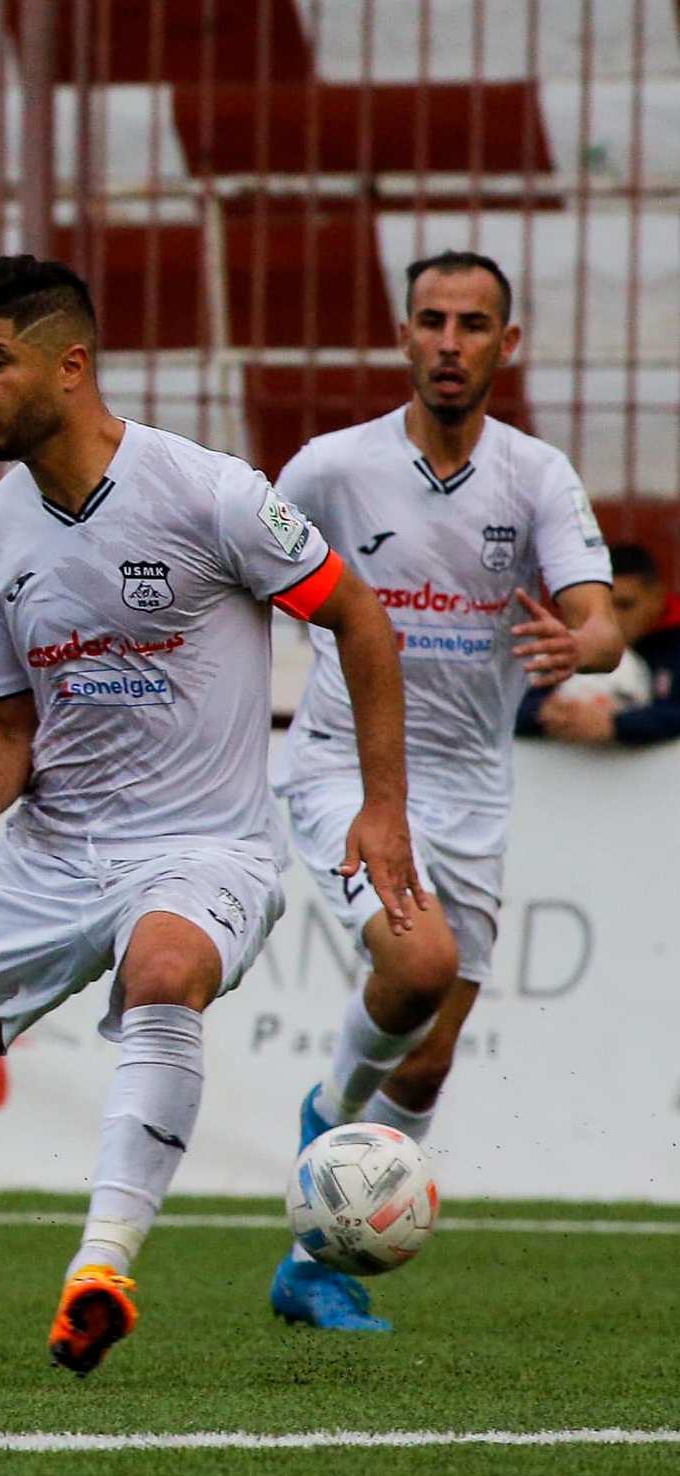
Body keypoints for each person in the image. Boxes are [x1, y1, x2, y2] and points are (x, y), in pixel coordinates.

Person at [0, 255, 419, 1379]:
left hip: (203, 847)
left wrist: (381, 806)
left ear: (71, 363)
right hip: (51, 859)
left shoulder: (206, 492)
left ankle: (102, 1265)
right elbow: (6, 724)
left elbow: (359, 619)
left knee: (162, 971)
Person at [266, 250, 622, 1330]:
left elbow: (599, 618)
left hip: (471, 786)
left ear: (506, 345)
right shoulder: (330, 467)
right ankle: (322, 1125)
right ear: (405, 336)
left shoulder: (535, 475)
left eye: (474, 324)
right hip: (341, 763)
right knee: (415, 963)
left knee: (427, 1057)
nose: (451, 342)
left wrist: (585, 642)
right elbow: (241, 574)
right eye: (432, 320)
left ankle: (308, 1264)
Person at [518, 543, 680, 747]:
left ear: (657, 597)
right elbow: (505, 709)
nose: (612, 619)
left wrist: (616, 725)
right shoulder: (579, 642)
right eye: (605, 607)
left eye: (625, 605)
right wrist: (544, 712)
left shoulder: (673, 647)